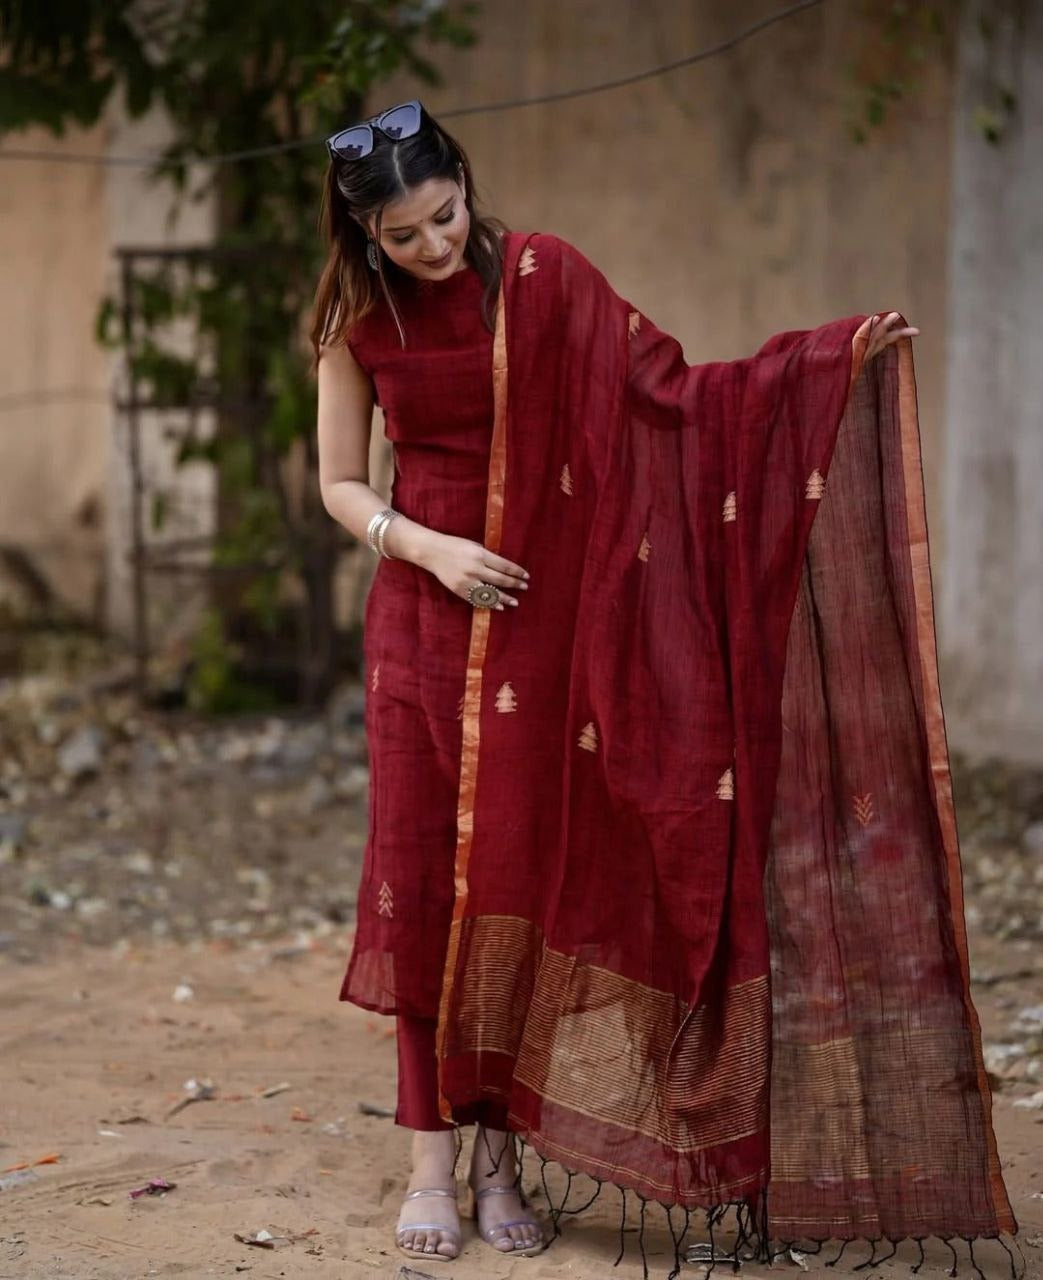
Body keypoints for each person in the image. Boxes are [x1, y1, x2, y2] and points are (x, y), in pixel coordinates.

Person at [311, 100, 1020, 1278]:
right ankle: (427, 1159)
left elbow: (671, 393)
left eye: (443, 217)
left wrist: (821, 364)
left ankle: (498, 1157)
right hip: (422, 629)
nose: (435, 247)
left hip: (540, 626)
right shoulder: (352, 321)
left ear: (462, 187)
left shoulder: (541, 278)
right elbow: (338, 480)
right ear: (363, 237)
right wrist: (425, 546)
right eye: (405, 237)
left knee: (521, 876)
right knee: (423, 886)